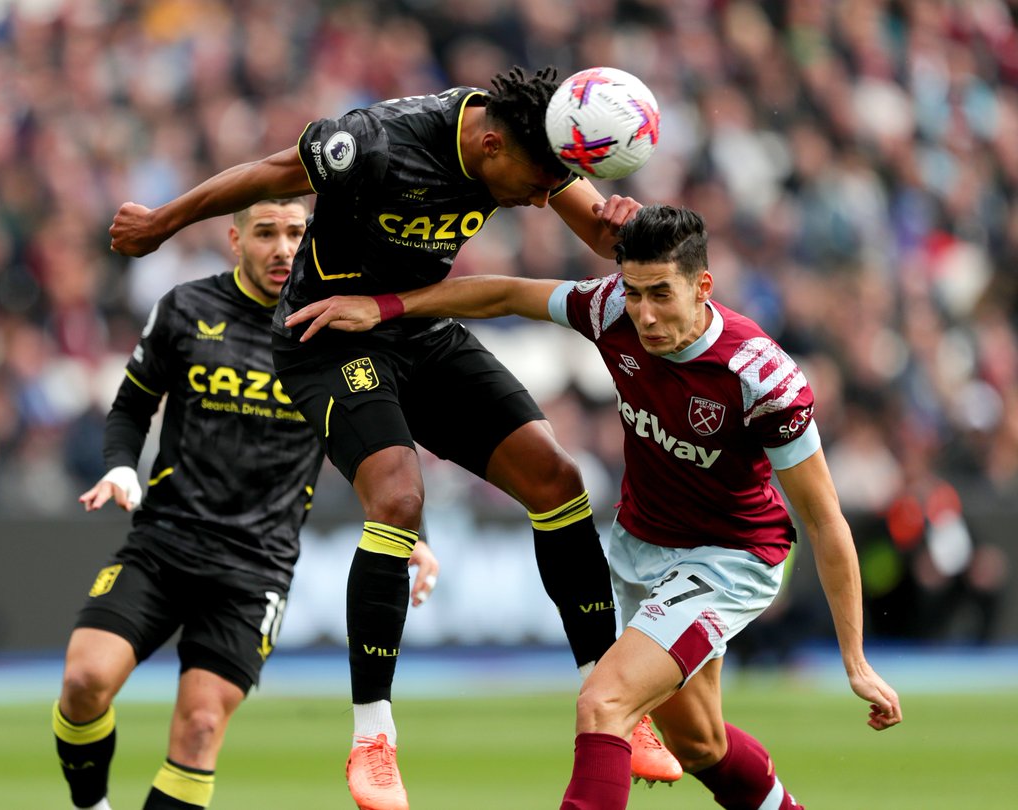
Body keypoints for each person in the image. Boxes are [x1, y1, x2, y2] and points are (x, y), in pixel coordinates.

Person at [109, 67, 681, 809]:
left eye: (555, 183)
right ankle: (372, 738)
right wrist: (159, 223)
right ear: (488, 143)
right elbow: (270, 171)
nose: (545, 198)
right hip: (326, 334)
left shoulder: (528, 150)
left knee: (558, 480)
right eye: (540, 184)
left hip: (412, 321)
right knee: (399, 498)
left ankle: (612, 700)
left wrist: (618, 231)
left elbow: (598, 228)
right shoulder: (377, 142)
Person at [285, 202, 904, 810]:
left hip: (728, 560)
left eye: (661, 293)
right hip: (641, 548)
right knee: (698, 743)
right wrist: (387, 307)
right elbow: (503, 294)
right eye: (635, 293)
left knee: (603, 702)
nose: (645, 314)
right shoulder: (610, 310)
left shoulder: (760, 377)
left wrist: (855, 660)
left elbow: (825, 521)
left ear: (703, 285)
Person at [54, 199, 440, 810]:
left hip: (255, 566)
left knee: (202, 726)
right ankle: (90, 804)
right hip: (163, 544)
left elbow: (378, 446)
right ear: (235, 240)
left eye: (295, 232)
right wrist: (122, 467)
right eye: (266, 233)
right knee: (83, 682)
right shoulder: (187, 309)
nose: (284, 248)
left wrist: (413, 534)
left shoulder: (334, 325)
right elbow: (131, 406)